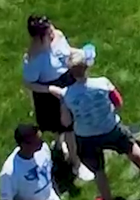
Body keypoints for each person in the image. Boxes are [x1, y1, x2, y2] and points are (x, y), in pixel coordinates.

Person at [56, 45, 140, 200]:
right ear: (87, 66)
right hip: (110, 128)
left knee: (98, 170)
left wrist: (63, 101)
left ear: (70, 72)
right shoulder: (102, 83)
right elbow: (118, 102)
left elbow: (65, 121)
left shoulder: (67, 95)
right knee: (130, 146)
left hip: (86, 136)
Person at [19, 15, 88, 182]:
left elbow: (66, 52)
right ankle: (74, 162)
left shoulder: (57, 35)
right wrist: (49, 89)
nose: (53, 33)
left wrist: (78, 53)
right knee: (63, 126)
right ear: (38, 37)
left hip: (66, 82)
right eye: (48, 33)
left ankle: (69, 155)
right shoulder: (33, 59)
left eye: (51, 29)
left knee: (69, 126)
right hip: (49, 93)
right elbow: (29, 83)